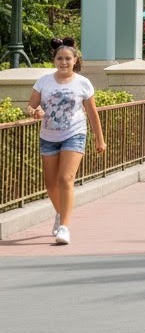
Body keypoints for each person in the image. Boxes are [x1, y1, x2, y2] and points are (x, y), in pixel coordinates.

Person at [25, 40, 106, 246]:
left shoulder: (83, 83)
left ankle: (64, 228)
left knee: (65, 178)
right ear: (54, 60)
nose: (63, 62)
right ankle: (61, 213)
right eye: (59, 58)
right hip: (48, 136)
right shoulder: (43, 82)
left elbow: (92, 113)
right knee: (51, 185)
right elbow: (30, 106)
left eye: (68, 59)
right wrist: (35, 112)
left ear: (75, 60)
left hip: (74, 134)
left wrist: (99, 139)